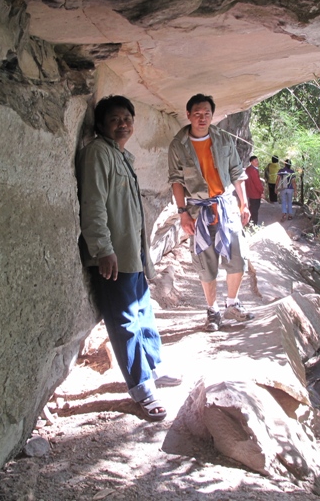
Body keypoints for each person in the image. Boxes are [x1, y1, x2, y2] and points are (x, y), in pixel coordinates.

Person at [78, 95, 180, 422]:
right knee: (124, 321)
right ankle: (142, 388)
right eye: (114, 119)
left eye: (127, 119)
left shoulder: (123, 156)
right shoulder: (97, 153)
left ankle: (154, 367)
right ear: (100, 125)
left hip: (132, 253)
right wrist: (103, 248)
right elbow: (93, 203)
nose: (122, 124)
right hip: (114, 255)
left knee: (143, 312)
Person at [168, 93, 255, 332]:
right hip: (199, 211)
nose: (202, 118)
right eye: (197, 113)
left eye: (207, 113)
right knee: (206, 264)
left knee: (237, 256)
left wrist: (244, 203)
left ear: (212, 115)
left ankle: (232, 304)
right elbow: (176, 180)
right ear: (188, 115)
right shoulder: (178, 145)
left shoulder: (223, 139)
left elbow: (237, 172)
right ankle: (212, 311)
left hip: (226, 207)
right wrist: (183, 213)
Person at [245, 155, 264, 226]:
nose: (257, 162)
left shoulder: (248, 169)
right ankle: (254, 223)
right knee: (255, 208)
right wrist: (261, 192)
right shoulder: (253, 170)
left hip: (250, 191)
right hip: (255, 192)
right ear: (251, 162)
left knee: (252, 207)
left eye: (257, 160)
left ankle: (250, 221)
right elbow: (257, 183)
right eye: (255, 161)